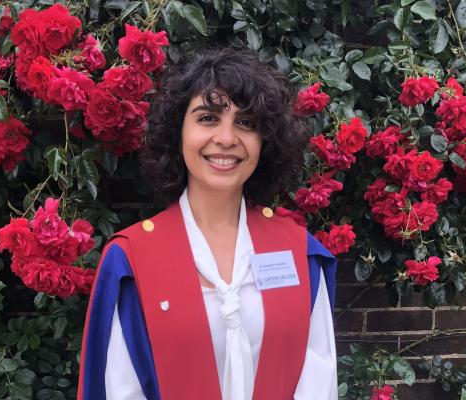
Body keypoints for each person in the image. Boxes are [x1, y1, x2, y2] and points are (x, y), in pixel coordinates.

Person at [77, 47, 338, 400]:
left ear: (265, 141)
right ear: (178, 132)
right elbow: (119, 389)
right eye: (208, 118)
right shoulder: (131, 261)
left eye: (246, 123)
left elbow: (317, 385)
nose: (227, 139)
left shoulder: (299, 254)